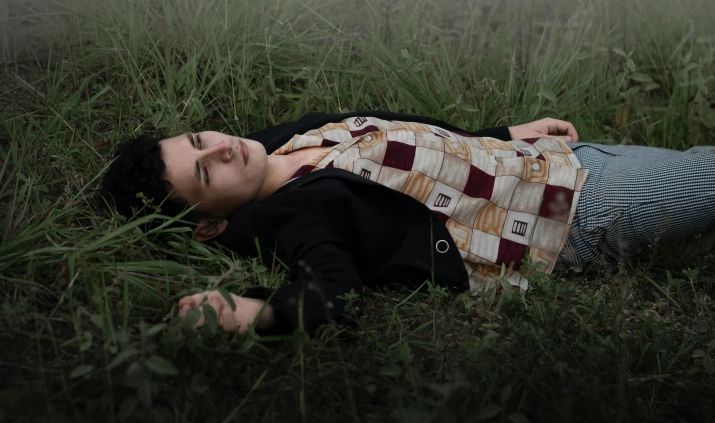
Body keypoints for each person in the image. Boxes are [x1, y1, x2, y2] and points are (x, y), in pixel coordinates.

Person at [100, 110, 715, 336]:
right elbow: (332, 294)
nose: (221, 150)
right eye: (204, 174)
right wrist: (253, 313)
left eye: (201, 141)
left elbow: (399, 126)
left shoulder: (276, 144)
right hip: (574, 213)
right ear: (207, 226)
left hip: (564, 161)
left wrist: (502, 134)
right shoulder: (293, 216)